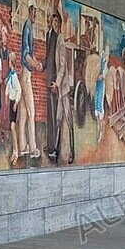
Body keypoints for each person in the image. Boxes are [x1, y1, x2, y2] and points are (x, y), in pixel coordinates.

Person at [18, 2, 43, 159]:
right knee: (31, 113)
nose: (35, 14)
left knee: (23, 113)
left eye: (36, 11)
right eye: (33, 11)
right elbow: (25, 54)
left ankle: (22, 146)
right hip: (25, 76)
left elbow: (29, 54)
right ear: (29, 11)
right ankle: (33, 148)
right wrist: (35, 64)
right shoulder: (27, 27)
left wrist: (35, 62)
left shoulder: (29, 27)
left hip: (25, 74)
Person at [53, 32, 76, 165]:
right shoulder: (57, 41)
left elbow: (62, 66)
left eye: (56, 22)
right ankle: (56, 151)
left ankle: (72, 151)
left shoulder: (60, 41)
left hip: (64, 88)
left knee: (68, 119)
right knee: (58, 118)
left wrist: (57, 82)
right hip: (60, 90)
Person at [44, 11, 60, 161]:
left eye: (56, 22)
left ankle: (54, 150)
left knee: (54, 116)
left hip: (54, 82)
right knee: (49, 115)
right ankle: (49, 145)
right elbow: (48, 57)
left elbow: (59, 63)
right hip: (48, 80)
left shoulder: (57, 37)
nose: (53, 24)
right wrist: (41, 65)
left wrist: (57, 83)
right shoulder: (48, 35)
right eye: (52, 21)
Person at [5, 65, 22, 165]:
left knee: (12, 127)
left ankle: (16, 153)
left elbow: (19, 90)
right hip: (11, 102)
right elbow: (8, 87)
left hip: (14, 104)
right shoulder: (10, 76)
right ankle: (14, 151)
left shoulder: (14, 77)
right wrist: (6, 96)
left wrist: (16, 102)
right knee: (12, 128)